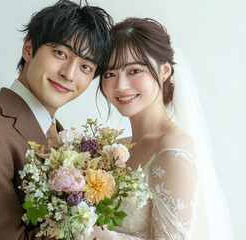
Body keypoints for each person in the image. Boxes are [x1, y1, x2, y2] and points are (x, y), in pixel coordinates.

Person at [0, 1, 113, 239]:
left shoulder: (61, 134)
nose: (69, 73)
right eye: (61, 53)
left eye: (85, 66)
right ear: (28, 49)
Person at [92, 18, 234, 239]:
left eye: (134, 71)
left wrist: (87, 229)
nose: (120, 86)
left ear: (165, 70)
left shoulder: (173, 150)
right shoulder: (118, 146)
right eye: (110, 74)